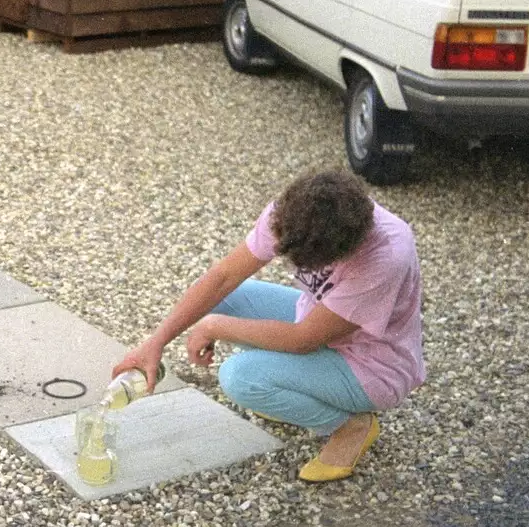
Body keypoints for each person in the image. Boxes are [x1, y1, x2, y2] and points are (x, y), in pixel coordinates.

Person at [116, 169, 424, 482]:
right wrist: (156, 341)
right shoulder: (297, 213)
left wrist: (215, 327)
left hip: (371, 366)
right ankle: (290, 391)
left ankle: (350, 426)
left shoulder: (385, 256)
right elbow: (223, 278)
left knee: (240, 377)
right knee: (227, 296)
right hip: (317, 321)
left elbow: (303, 340)